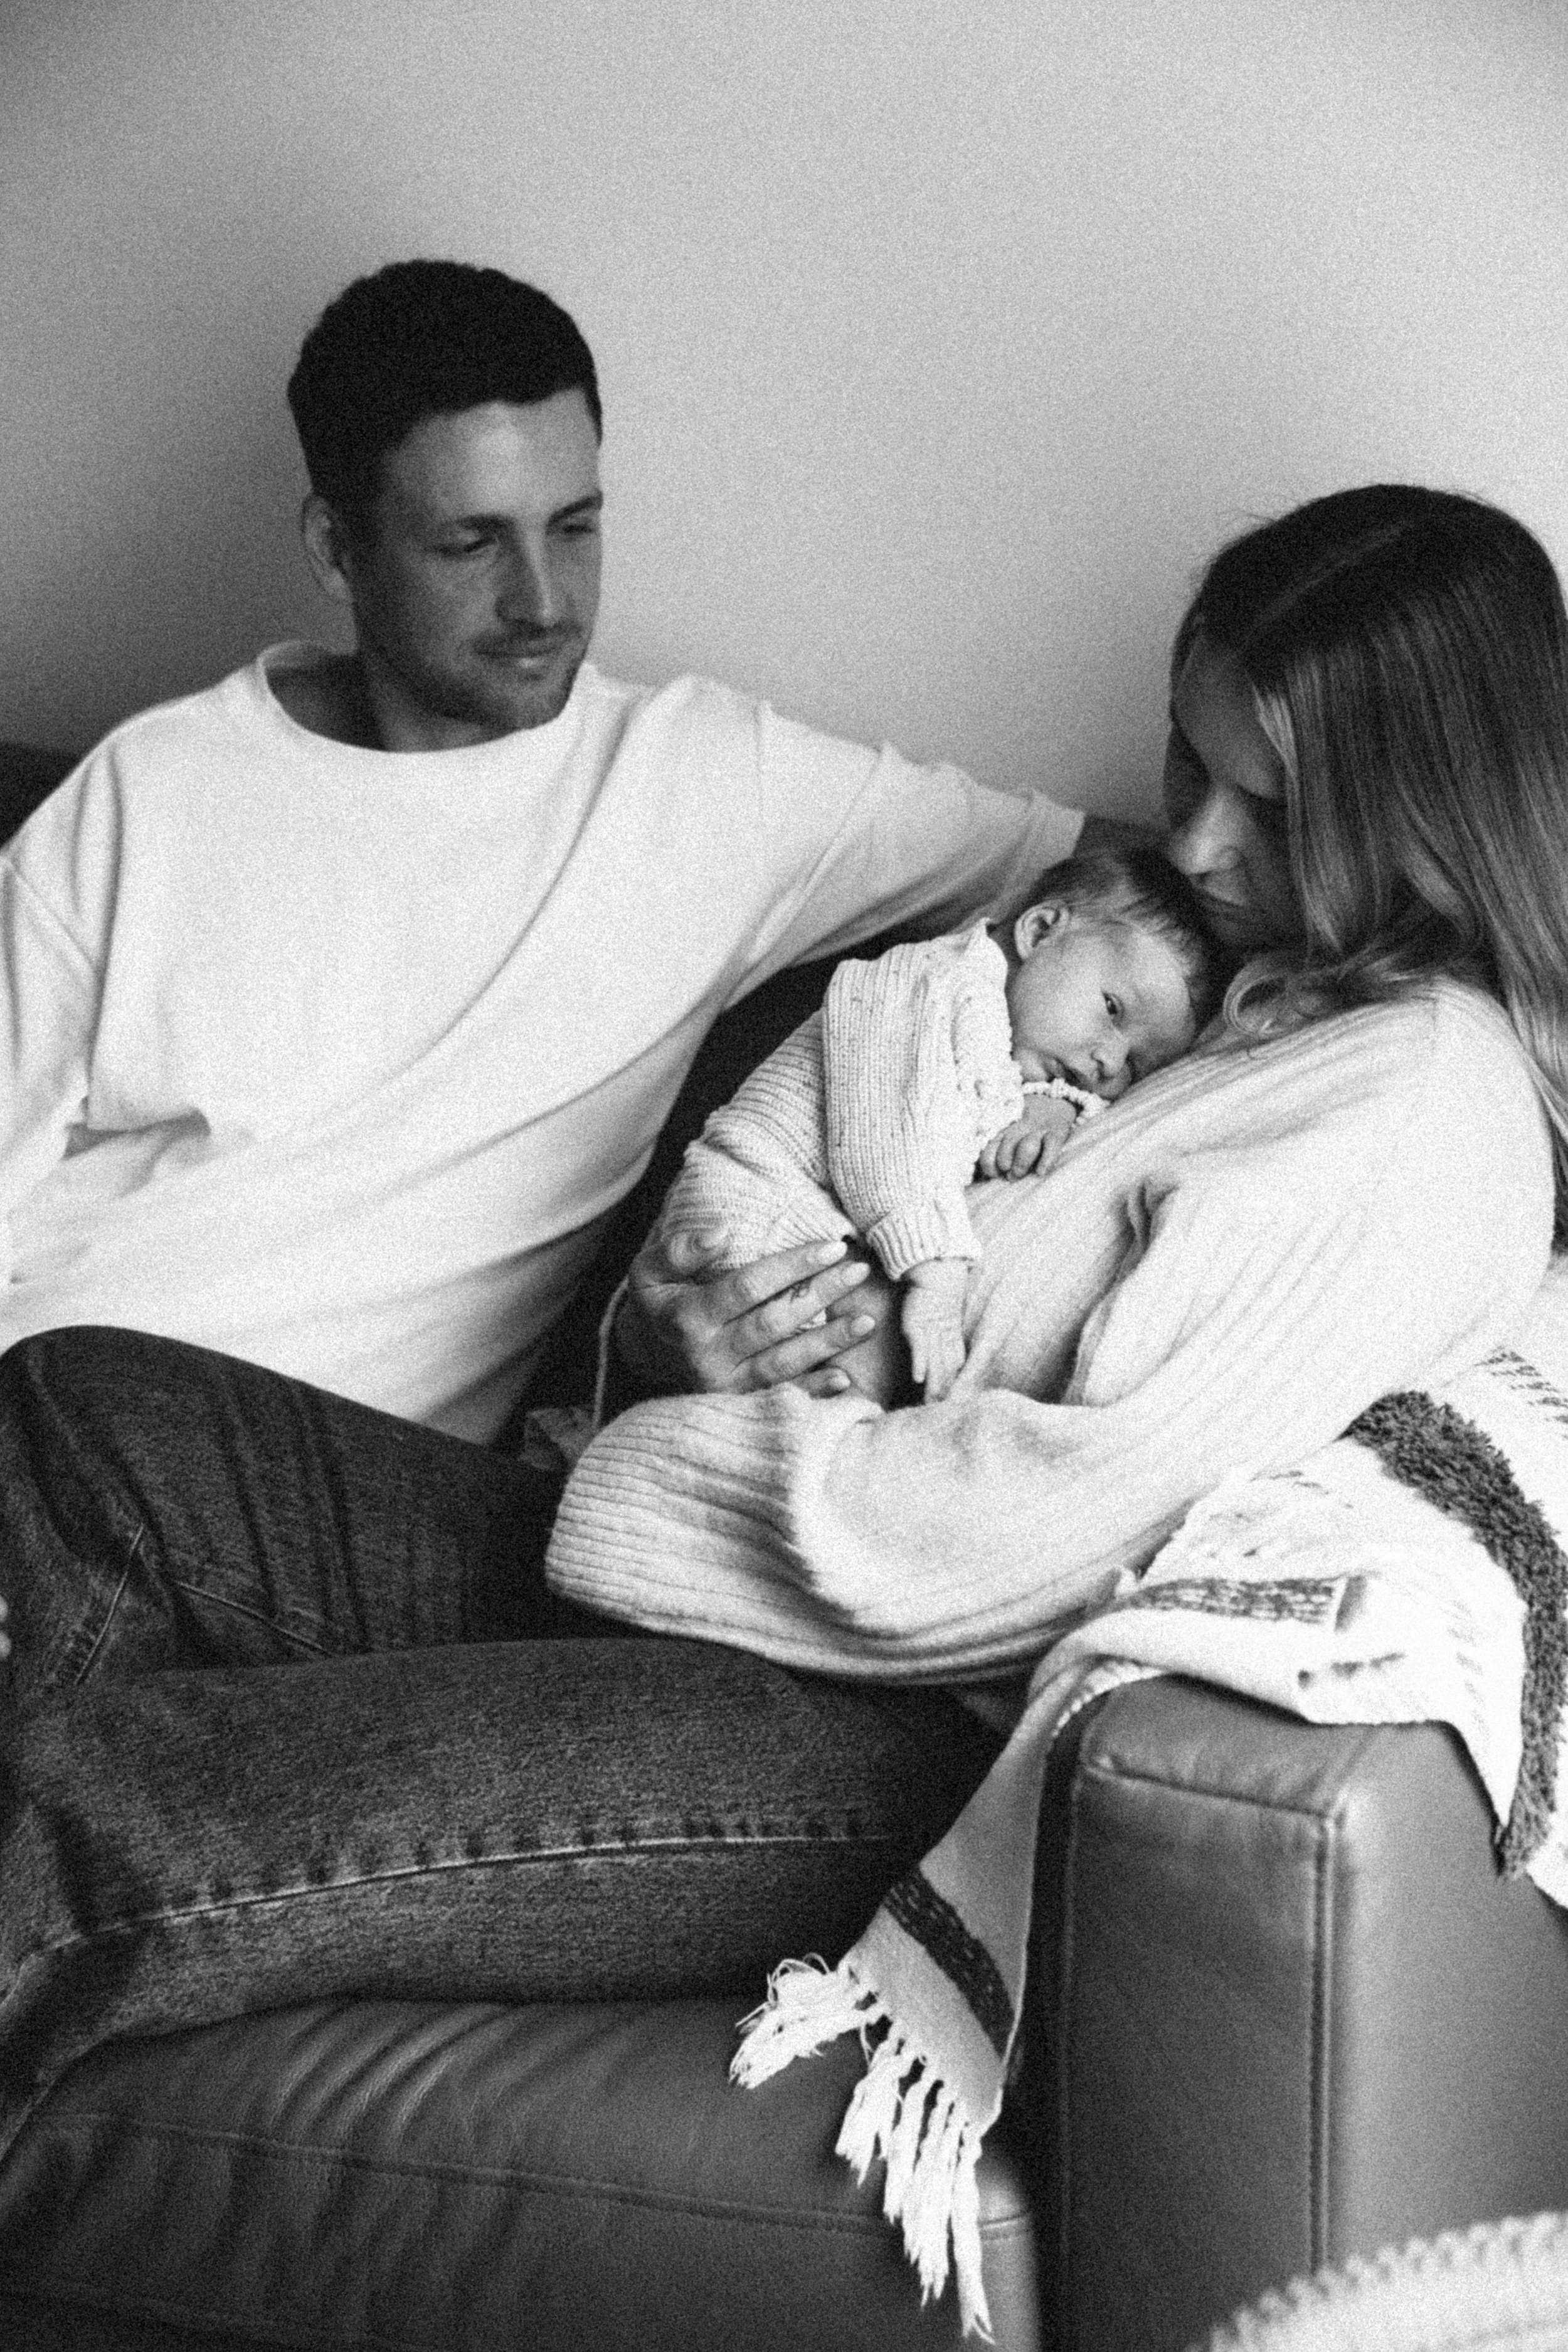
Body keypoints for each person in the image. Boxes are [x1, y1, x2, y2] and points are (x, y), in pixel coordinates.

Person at [1, 483, 1565, 2220]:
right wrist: (676, 1359)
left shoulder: (1408, 1103)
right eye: (1182, 767)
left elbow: (1034, 1525)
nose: (1188, 846)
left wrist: (656, 1452)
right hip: (734, 1556)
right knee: (89, 1409)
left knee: (114, 1807)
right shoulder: (1268, 984)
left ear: (1416, 804)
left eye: (1262, 807)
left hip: (880, 1720)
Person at [0, 258, 1086, 1441]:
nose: (543, 601)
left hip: (279, 1513)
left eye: (574, 528)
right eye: (472, 543)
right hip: (41, 1420)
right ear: (335, 547)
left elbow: (1111, 869)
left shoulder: (715, 786)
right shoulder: (149, 791)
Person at [657, 844, 1219, 1401]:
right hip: (750, 1204)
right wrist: (936, 1275)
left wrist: (1058, 1099)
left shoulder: (1018, 1034)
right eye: (1114, 1010)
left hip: (807, 1217)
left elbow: (988, 1102)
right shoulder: (925, 983)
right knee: (870, 1348)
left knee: (863, 1363)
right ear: (1042, 930)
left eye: (1137, 1064)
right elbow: (889, 1140)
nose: (1108, 1062)